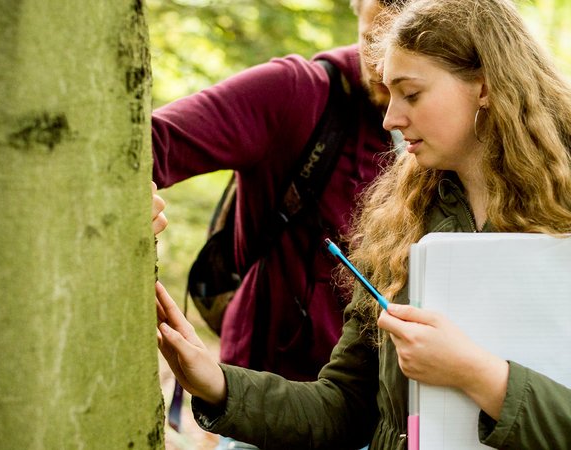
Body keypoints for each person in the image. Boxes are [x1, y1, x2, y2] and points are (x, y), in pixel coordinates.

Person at [155, 0, 571, 448]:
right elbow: (343, 409)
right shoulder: (403, 217)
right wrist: (215, 383)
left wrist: (478, 375)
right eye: (389, 94)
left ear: (484, 85)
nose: (391, 117)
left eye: (411, 94)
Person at [151, 0, 405, 388]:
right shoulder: (298, 93)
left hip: (387, 401)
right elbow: (146, 147)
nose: (385, 68)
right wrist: (135, 205)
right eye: (373, 41)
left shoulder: (459, 124)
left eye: (406, 47)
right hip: (262, 394)